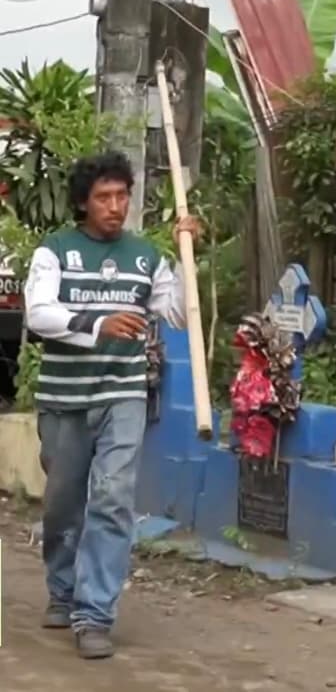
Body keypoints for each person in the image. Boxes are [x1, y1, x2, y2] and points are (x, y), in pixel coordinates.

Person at [23, 150, 200, 660]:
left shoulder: (147, 258)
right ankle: (62, 590)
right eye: (104, 196)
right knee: (63, 506)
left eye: (122, 195)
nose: (115, 205)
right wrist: (99, 324)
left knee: (113, 499)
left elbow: (178, 313)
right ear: (84, 202)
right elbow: (39, 315)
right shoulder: (54, 251)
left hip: (122, 394)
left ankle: (94, 614)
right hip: (64, 397)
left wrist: (186, 252)